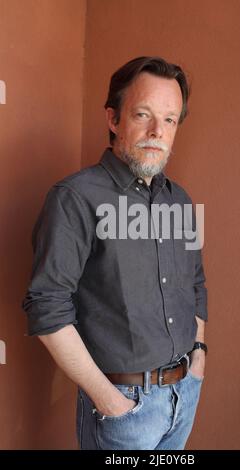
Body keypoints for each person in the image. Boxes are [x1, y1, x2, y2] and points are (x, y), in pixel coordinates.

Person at [22, 56, 208, 450]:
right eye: (143, 114)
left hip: (184, 396)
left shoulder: (182, 202)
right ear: (113, 119)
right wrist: (108, 399)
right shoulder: (74, 198)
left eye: (170, 120)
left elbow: (195, 283)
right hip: (123, 411)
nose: (158, 131)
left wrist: (199, 359)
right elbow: (47, 306)